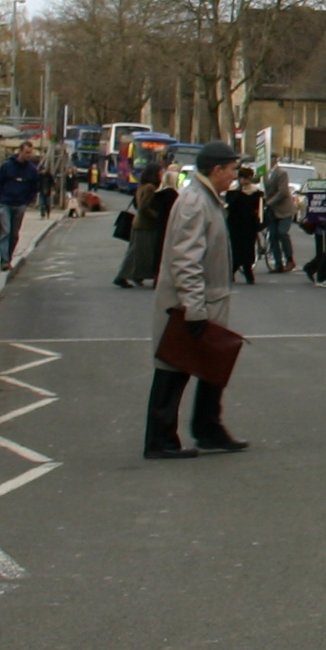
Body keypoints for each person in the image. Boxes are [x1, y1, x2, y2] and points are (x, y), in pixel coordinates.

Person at [146, 140, 247, 460]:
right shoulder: (194, 202)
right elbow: (185, 260)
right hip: (190, 303)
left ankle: (208, 429)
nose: (234, 175)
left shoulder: (206, 197)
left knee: (210, 367)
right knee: (174, 368)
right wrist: (193, 307)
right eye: (231, 170)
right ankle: (160, 440)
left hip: (205, 300)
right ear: (216, 170)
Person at [116, 157, 174, 290]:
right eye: (160, 173)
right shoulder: (149, 188)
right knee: (137, 253)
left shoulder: (142, 186)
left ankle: (137, 275)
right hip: (145, 225)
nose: (162, 175)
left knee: (142, 253)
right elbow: (143, 206)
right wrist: (157, 216)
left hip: (141, 224)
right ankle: (122, 276)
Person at [0, 139, 44, 273]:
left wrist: (27, 201)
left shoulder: (31, 170)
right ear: (20, 151)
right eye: (26, 153)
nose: (28, 155)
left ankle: (8, 257)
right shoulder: (7, 166)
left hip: (20, 204)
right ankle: (4, 261)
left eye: (30, 153)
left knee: (14, 234)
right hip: (4, 203)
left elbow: (34, 187)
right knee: (6, 231)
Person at [223, 166, 264, 286]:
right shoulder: (232, 191)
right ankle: (233, 271)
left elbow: (259, 208)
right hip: (235, 223)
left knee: (248, 248)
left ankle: (247, 271)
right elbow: (230, 205)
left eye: (249, 179)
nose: (246, 181)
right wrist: (239, 192)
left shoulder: (255, 192)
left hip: (249, 224)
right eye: (244, 178)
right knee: (236, 248)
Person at [263, 170, 301, 274]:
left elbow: (282, 192)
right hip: (272, 211)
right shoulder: (264, 173)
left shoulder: (281, 173)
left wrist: (268, 202)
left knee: (282, 232)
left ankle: (290, 259)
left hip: (284, 210)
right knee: (273, 236)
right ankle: (278, 264)